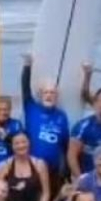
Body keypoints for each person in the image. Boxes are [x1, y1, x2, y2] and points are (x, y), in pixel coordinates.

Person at [19, 53, 71, 184]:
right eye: (46, 92)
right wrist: (27, 65)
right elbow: (25, 88)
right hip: (32, 167)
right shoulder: (31, 108)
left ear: (57, 96)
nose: (49, 96)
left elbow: (65, 145)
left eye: (52, 93)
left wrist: (65, 168)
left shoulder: (61, 115)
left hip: (53, 169)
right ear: (40, 95)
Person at [0, 97, 27, 174]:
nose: (2, 112)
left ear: (10, 110)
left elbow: (17, 143)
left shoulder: (15, 124)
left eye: (5, 109)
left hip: (7, 170)